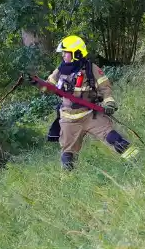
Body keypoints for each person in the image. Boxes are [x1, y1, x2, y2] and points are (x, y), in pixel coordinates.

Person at [47, 35, 138, 170]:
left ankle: (137, 161)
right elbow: (49, 85)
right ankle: (68, 182)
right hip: (68, 119)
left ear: (77, 54)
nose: (63, 56)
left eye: (66, 53)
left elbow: (105, 88)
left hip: (90, 114)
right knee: (67, 156)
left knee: (113, 138)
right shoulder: (61, 69)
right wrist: (45, 86)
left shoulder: (91, 69)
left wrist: (109, 103)